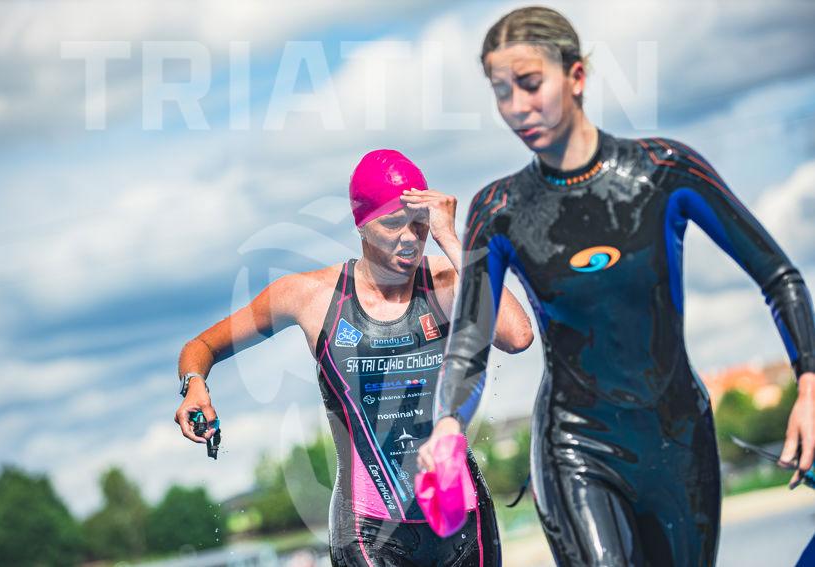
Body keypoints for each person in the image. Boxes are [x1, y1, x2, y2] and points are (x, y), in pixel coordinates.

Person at [418, 6, 815, 566]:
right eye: (501, 92)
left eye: (529, 84)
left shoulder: (663, 172)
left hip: (678, 441)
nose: (516, 107)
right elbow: (469, 339)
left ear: (576, 76)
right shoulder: (500, 209)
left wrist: (809, 383)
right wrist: (448, 426)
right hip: (574, 445)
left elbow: (778, 276)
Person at [175, 149, 533, 566]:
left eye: (419, 223)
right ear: (361, 224)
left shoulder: (446, 281)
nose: (409, 237)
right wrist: (194, 384)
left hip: (462, 517)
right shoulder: (310, 296)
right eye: (392, 223)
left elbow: (517, 335)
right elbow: (201, 346)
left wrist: (452, 240)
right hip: (366, 530)